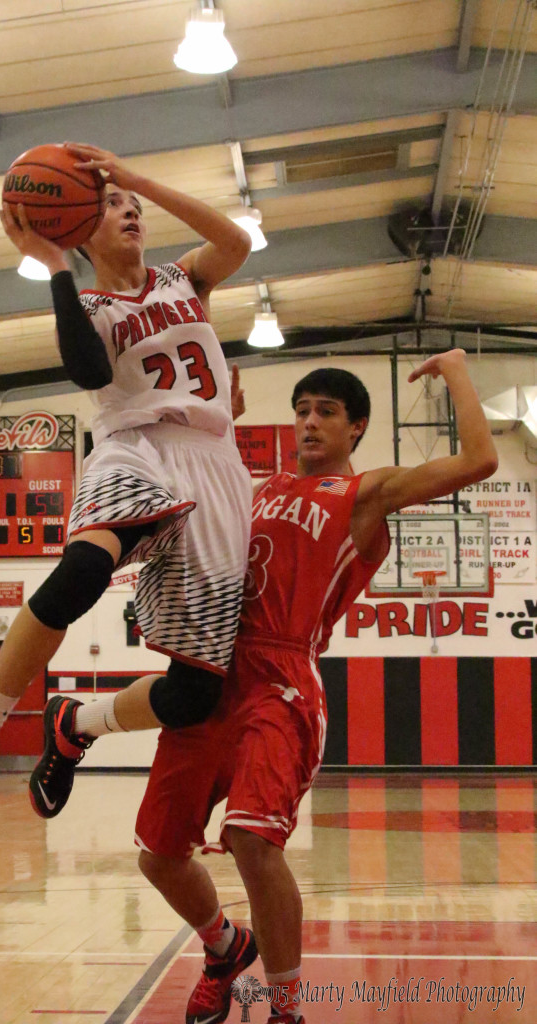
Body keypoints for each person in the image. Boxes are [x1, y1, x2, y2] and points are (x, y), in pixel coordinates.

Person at [126, 351, 497, 1024]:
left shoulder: (365, 495)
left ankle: (287, 1010)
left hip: (282, 680)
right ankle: (222, 948)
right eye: (301, 411)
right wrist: (213, 424)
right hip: (213, 673)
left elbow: (479, 462)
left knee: (250, 838)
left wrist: (457, 370)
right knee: (158, 854)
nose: (309, 422)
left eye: (326, 412)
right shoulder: (259, 487)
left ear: (356, 428)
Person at [0, 143, 253, 814]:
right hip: (134, 448)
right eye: (113, 205)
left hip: (215, 467)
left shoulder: (186, 280)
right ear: (76, 225)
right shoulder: (89, 306)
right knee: (80, 576)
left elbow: (235, 239)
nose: (130, 212)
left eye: (135, 206)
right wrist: (55, 267)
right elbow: (92, 376)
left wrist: (130, 174)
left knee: (195, 694)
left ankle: (74, 726)